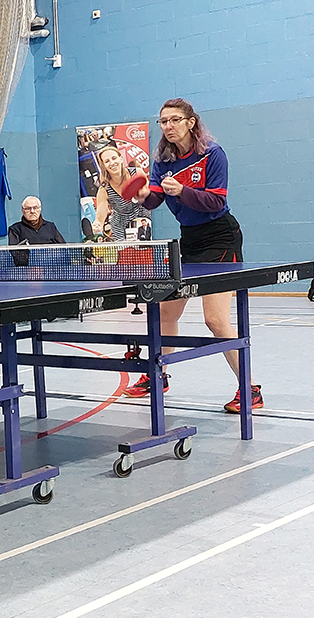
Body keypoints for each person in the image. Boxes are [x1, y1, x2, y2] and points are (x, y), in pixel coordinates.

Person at [127, 97, 262, 413]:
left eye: (174, 119)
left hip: (220, 239)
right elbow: (154, 201)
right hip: (188, 241)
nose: (168, 126)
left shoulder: (213, 155)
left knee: (215, 320)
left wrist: (182, 191)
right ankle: (158, 375)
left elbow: (216, 203)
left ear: (191, 122)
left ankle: (251, 389)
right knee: (164, 313)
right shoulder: (162, 160)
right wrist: (143, 194)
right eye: (163, 121)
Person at [92, 145, 152, 241]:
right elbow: (100, 215)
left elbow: (149, 195)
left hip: (144, 217)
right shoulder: (104, 189)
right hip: (120, 226)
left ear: (121, 159)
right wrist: (97, 224)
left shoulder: (137, 173)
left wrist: (143, 193)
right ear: (103, 166)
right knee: (126, 254)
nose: (112, 163)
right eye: (107, 161)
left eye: (114, 158)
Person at [7, 196, 66, 267]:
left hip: (51, 269)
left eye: (35, 208)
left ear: (40, 209)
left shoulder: (51, 227)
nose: (32, 211)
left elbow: (63, 249)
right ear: (23, 211)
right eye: (28, 209)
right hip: (27, 271)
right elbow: (15, 254)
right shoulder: (15, 229)